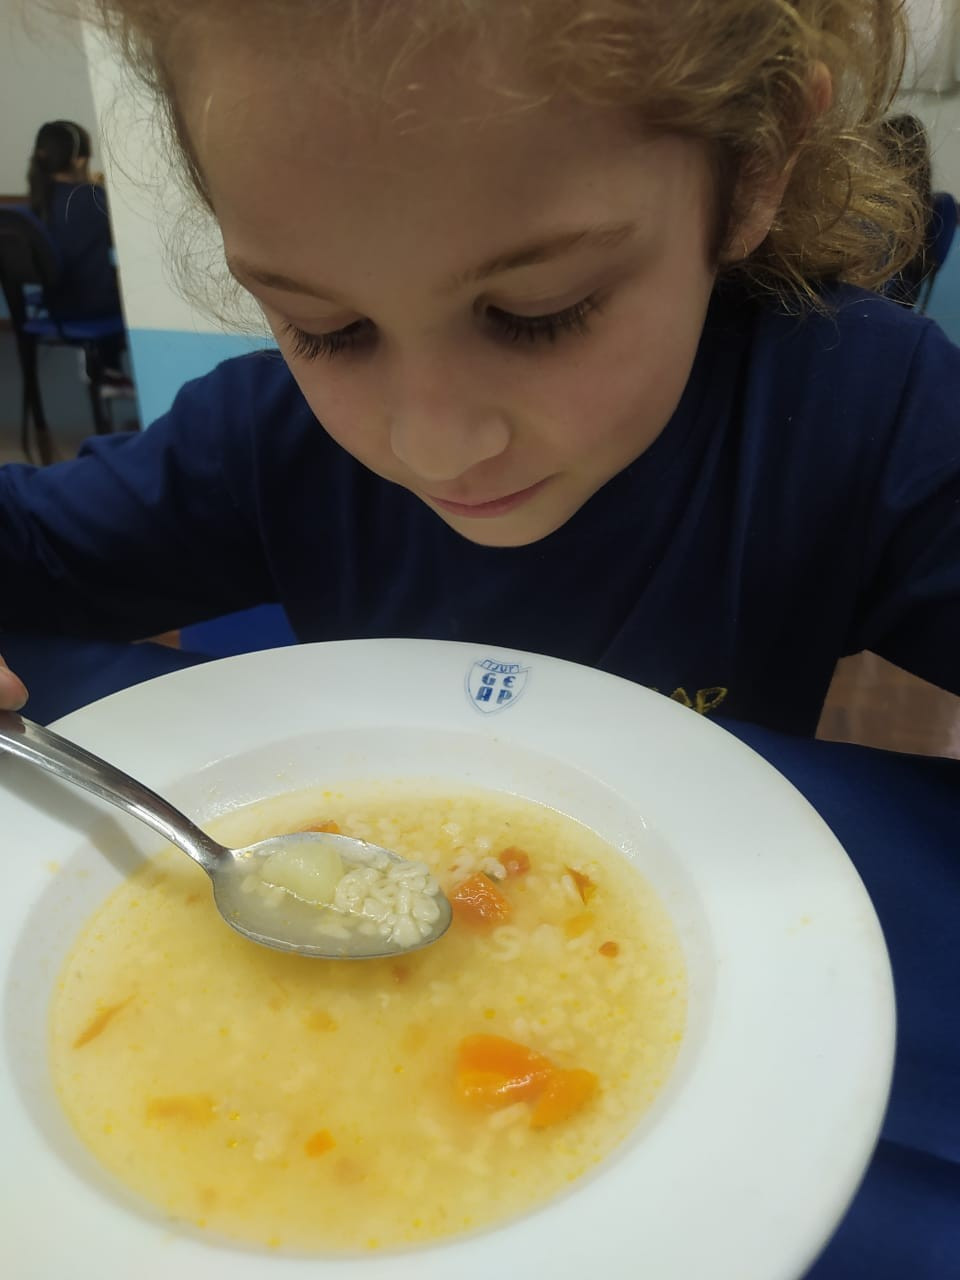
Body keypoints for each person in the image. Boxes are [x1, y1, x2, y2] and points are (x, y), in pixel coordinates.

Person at [0, 0, 958, 748]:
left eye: (539, 312)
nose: (434, 448)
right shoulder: (262, 442)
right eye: (327, 328)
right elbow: (30, 549)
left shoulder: (867, 415)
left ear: (754, 166)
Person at [25, 119, 129, 381]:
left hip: (57, 305)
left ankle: (105, 368)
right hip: (95, 306)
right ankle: (108, 367)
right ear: (80, 160)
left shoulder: (38, 201)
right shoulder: (92, 197)